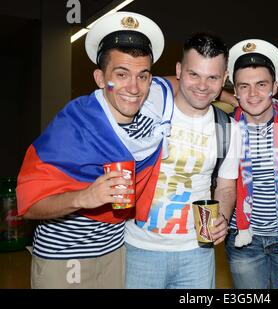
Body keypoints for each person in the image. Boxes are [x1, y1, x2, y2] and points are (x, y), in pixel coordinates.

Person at [16, 12, 173, 288]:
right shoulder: (74, 124)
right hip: (65, 257)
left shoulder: (151, 114)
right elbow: (29, 205)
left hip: (116, 252)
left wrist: (233, 97)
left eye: (143, 76)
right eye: (121, 74)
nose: (134, 88)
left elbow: (190, 85)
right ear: (101, 78)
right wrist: (84, 197)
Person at [124, 33, 241, 289]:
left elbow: (226, 186)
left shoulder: (228, 128)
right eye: (194, 74)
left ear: (224, 79)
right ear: (179, 70)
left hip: (196, 253)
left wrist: (222, 216)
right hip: (137, 249)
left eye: (212, 77)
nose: (202, 85)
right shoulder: (148, 110)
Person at [225, 39, 278, 289]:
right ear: (236, 92)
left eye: (261, 84)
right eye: (244, 86)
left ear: (274, 87)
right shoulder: (224, 129)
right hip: (244, 240)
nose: (253, 94)